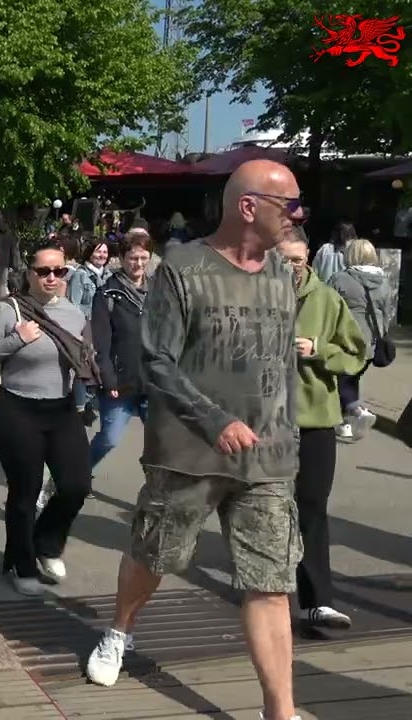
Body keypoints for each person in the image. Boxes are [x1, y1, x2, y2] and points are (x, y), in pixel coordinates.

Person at [85, 160, 305, 720]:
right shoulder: (182, 268)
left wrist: (288, 430)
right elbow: (155, 361)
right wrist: (215, 421)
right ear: (249, 206)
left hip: (267, 458)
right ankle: (119, 628)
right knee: (155, 554)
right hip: (188, 452)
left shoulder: (282, 272)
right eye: (292, 205)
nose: (300, 216)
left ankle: (278, 709)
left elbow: (279, 362)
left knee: (270, 584)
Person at [0, 243, 95, 595]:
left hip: (62, 409)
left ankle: (47, 543)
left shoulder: (73, 312)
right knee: (25, 491)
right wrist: (15, 339)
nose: (52, 277)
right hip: (16, 409)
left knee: (76, 485)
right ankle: (21, 565)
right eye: (44, 271)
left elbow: (84, 355)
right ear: (29, 274)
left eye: (59, 271)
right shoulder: (8, 309)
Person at [278, 232, 367, 631]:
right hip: (266, 420)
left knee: (312, 505)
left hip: (315, 419)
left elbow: (357, 355)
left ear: (309, 258)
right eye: (282, 260)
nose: (290, 268)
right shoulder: (256, 297)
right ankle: (265, 590)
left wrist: (319, 351)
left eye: (296, 260)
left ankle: (317, 602)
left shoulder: (328, 299)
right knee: (266, 507)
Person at [88, 234, 152, 470]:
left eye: (144, 258)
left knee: (160, 443)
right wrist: (109, 380)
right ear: (122, 259)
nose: (139, 264)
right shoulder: (107, 294)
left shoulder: (158, 291)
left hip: (153, 381)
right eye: (133, 258)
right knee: (109, 439)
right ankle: (73, 477)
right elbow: (101, 344)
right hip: (120, 383)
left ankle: (156, 494)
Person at [326, 238, 395, 441]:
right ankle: (346, 422)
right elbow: (387, 313)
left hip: (345, 339)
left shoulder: (340, 279)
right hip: (371, 344)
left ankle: (357, 412)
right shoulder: (384, 282)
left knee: (339, 379)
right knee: (351, 379)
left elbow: (328, 307)